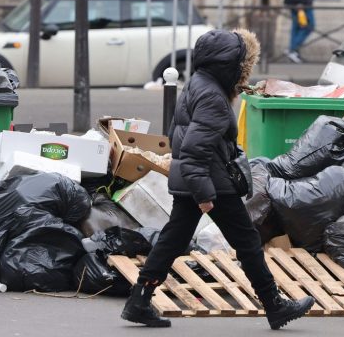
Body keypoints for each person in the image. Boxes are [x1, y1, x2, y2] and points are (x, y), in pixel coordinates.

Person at [120, 29, 314, 330]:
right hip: (210, 181)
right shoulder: (212, 96)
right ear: (228, 65)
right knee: (247, 241)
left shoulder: (198, 84)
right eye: (240, 65)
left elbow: (178, 137)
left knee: (173, 240)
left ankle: (139, 301)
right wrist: (204, 193)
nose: (242, 71)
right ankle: (274, 304)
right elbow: (196, 148)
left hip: (196, 177)